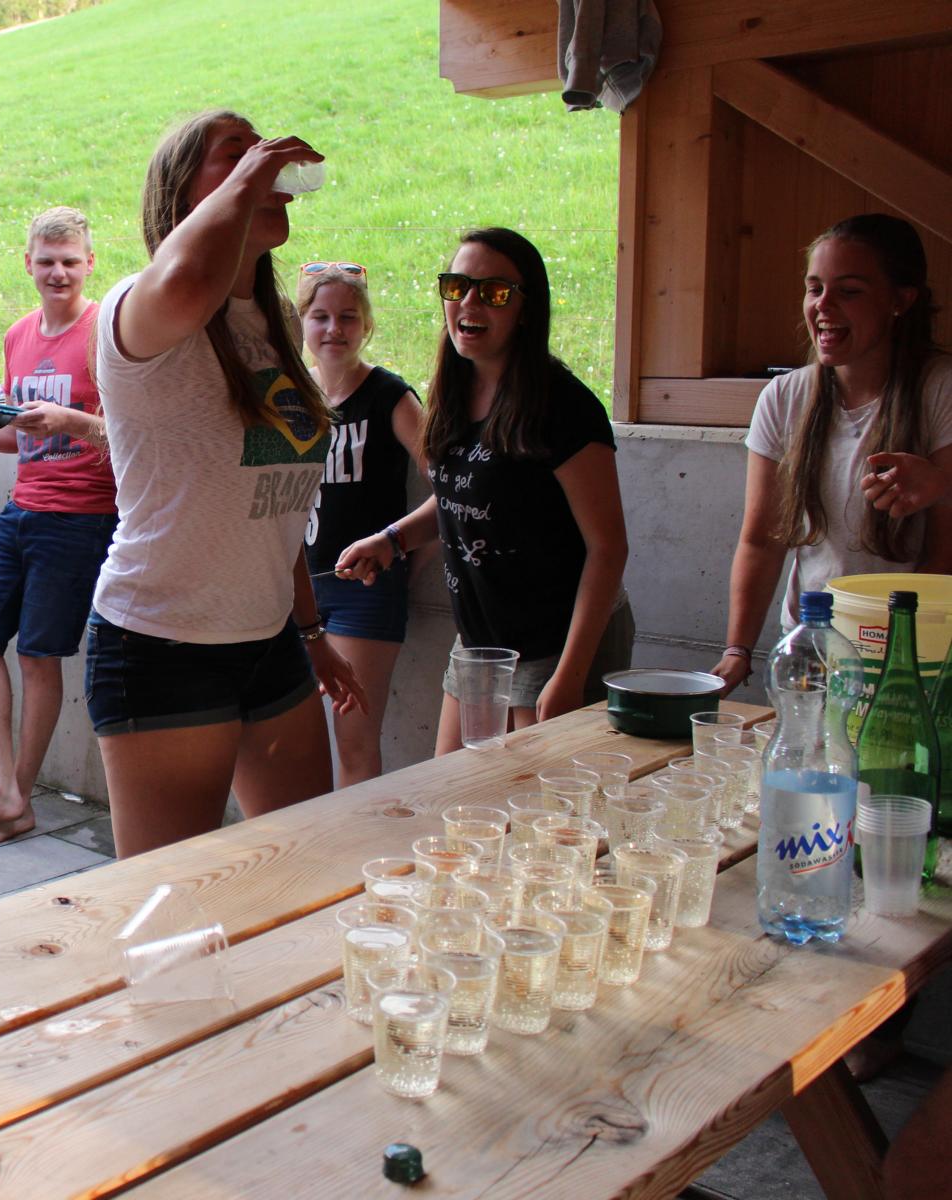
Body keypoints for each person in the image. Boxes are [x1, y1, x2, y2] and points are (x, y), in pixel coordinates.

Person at [87, 110, 364, 859]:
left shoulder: (275, 323)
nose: (263, 162)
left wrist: (310, 631)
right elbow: (187, 281)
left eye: (262, 151)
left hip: (270, 641)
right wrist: (252, 177)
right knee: (173, 900)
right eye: (235, 153)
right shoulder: (138, 306)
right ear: (184, 195)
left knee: (302, 870)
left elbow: (269, 507)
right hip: (162, 645)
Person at [337, 228, 631, 754]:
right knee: (450, 792)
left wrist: (569, 675)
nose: (469, 303)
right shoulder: (454, 389)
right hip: (480, 645)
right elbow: (463, 496)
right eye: (457, 286)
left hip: (555, 644)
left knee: (535, 802)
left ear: (526, 309)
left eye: (494, 292)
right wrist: (393, 539)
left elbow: (608, 548)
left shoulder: (564, 408)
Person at [0, 207, 116, 847]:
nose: (58, 272)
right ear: (28, 263)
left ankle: (18, 799)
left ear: (90, 263)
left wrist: (71, 421)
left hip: (83, 516)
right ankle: (0, 787)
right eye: (47, 261)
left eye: (70, 261)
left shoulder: (106, 334)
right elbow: (18, 438)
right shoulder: (17, 336)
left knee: (38, 656)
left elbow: (134, 435)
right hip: (22, 508)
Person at [711, 213, 952, 689]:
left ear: (901, 300)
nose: (823, 305)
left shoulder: (940, 388)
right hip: (813, 647)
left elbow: (944, 554)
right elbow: (762, 540)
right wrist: (737, 649)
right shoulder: (783, 397)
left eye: (849, 291)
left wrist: (894, 655)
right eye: (814, 288)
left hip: (916, 655)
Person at [296, 261, 428, 786]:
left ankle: (358, 838)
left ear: (367, 325)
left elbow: (453, 487)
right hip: (294, 588)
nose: (334, 329)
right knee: (291, 742)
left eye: (348, 317)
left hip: (362, 593)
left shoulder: (390, 396)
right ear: (302, 323)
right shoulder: (290, 395)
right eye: (321, 316)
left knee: (353, 740)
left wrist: (405, 552)